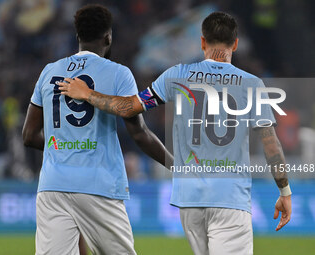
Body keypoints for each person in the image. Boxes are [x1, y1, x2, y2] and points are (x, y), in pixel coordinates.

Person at [59, 12, 292, 255]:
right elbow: (271, 145)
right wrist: (284, 191)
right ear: (235, 43)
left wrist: (88, 94)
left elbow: (128, 107)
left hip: (189, 200)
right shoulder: (252, 84)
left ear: (202, 42)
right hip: (229, 199)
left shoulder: (176, 75)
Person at [22, 4, 172, 255]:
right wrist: (175, 165)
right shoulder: (118, 74)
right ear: (108, 37)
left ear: (77, 36)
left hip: (53, 186)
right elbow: (139, 133)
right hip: (98, 184)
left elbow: (29, 135)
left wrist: (64, 144)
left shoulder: (49, 71)